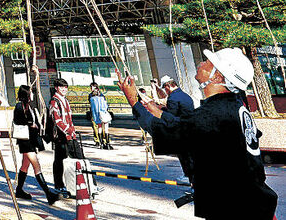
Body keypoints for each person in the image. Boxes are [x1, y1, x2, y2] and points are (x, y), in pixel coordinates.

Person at [118, 48, 277, 220]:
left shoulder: (213, 113)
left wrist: (133, 100)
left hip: (234, 209)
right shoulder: (233, 107)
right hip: (253, 204)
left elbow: (164, 131)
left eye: (208, 62)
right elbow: (188, 125)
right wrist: (158, 112)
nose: (201, 63)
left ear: (217, 76)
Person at [13, 85, 60, 204]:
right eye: (31, 93)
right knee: (36, 166)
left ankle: (19, 190)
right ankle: (48, 193)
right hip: (25, 141)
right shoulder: (19, 106)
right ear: (26, 95)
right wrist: (30, 124)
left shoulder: (29, 107)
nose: (32, 95)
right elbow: (18, 120)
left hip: (30, 141)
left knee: (25, 166)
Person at [157, 74, 196, 181]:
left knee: (183, 155)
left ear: (167, 86)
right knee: (189, 154)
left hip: (181, 130)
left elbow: (171, 116)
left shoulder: (173, 98)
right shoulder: (184, 95)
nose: (165, 91)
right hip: (190, 127)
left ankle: (187, 175)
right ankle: (191, 174)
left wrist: (161, 109)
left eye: (165, 88)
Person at [48, 77, 82, 198]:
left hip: (70, 135)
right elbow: (56, 120)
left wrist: (72, 131)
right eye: (62, 87)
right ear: (56, 88)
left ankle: (85, 183)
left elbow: (69, 118)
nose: (64, 89)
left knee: (79, 158)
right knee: (59, 161)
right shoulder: (54, 101)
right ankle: (59, 185)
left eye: (66, 87)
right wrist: (68, 130)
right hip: (61, 137)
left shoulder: (65, 101)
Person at [89, 83, 113, 149]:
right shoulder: (102, 97)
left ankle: (100, 143)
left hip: (95, 115)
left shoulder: (91, 98)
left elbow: (92, 107)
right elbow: (105, 106)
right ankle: (107, 143)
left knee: (98, 128)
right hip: (103, 114)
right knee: (106, 129)